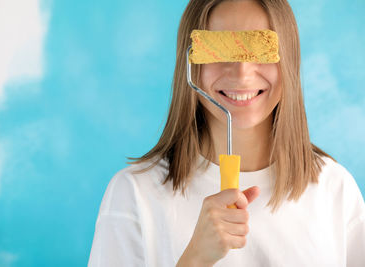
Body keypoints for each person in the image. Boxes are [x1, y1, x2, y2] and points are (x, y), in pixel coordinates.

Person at [88, 0, 365, 266]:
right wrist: (194, 260)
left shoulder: (336, 189)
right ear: (192, 63)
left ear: (289, 61)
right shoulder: (134, 193)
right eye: (219, 51)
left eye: (260, 50)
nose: (242, 73)